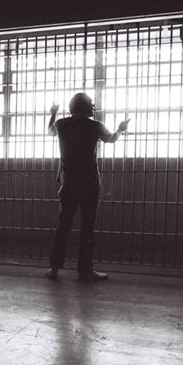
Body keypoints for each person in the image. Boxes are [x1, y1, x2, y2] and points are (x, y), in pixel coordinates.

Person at [46, 92, 130, 281]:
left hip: (68, 183)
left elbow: (49, 130)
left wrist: (53, 112)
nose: (93, 106)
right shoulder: (95, 126)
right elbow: (111, 139)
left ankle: (54, 268)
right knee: (87, 228)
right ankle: (85, 270)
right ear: (85, 107)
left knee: (63, 226)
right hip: (89, 183)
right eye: (91, 104)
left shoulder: (62, 124)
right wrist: (120, 129)